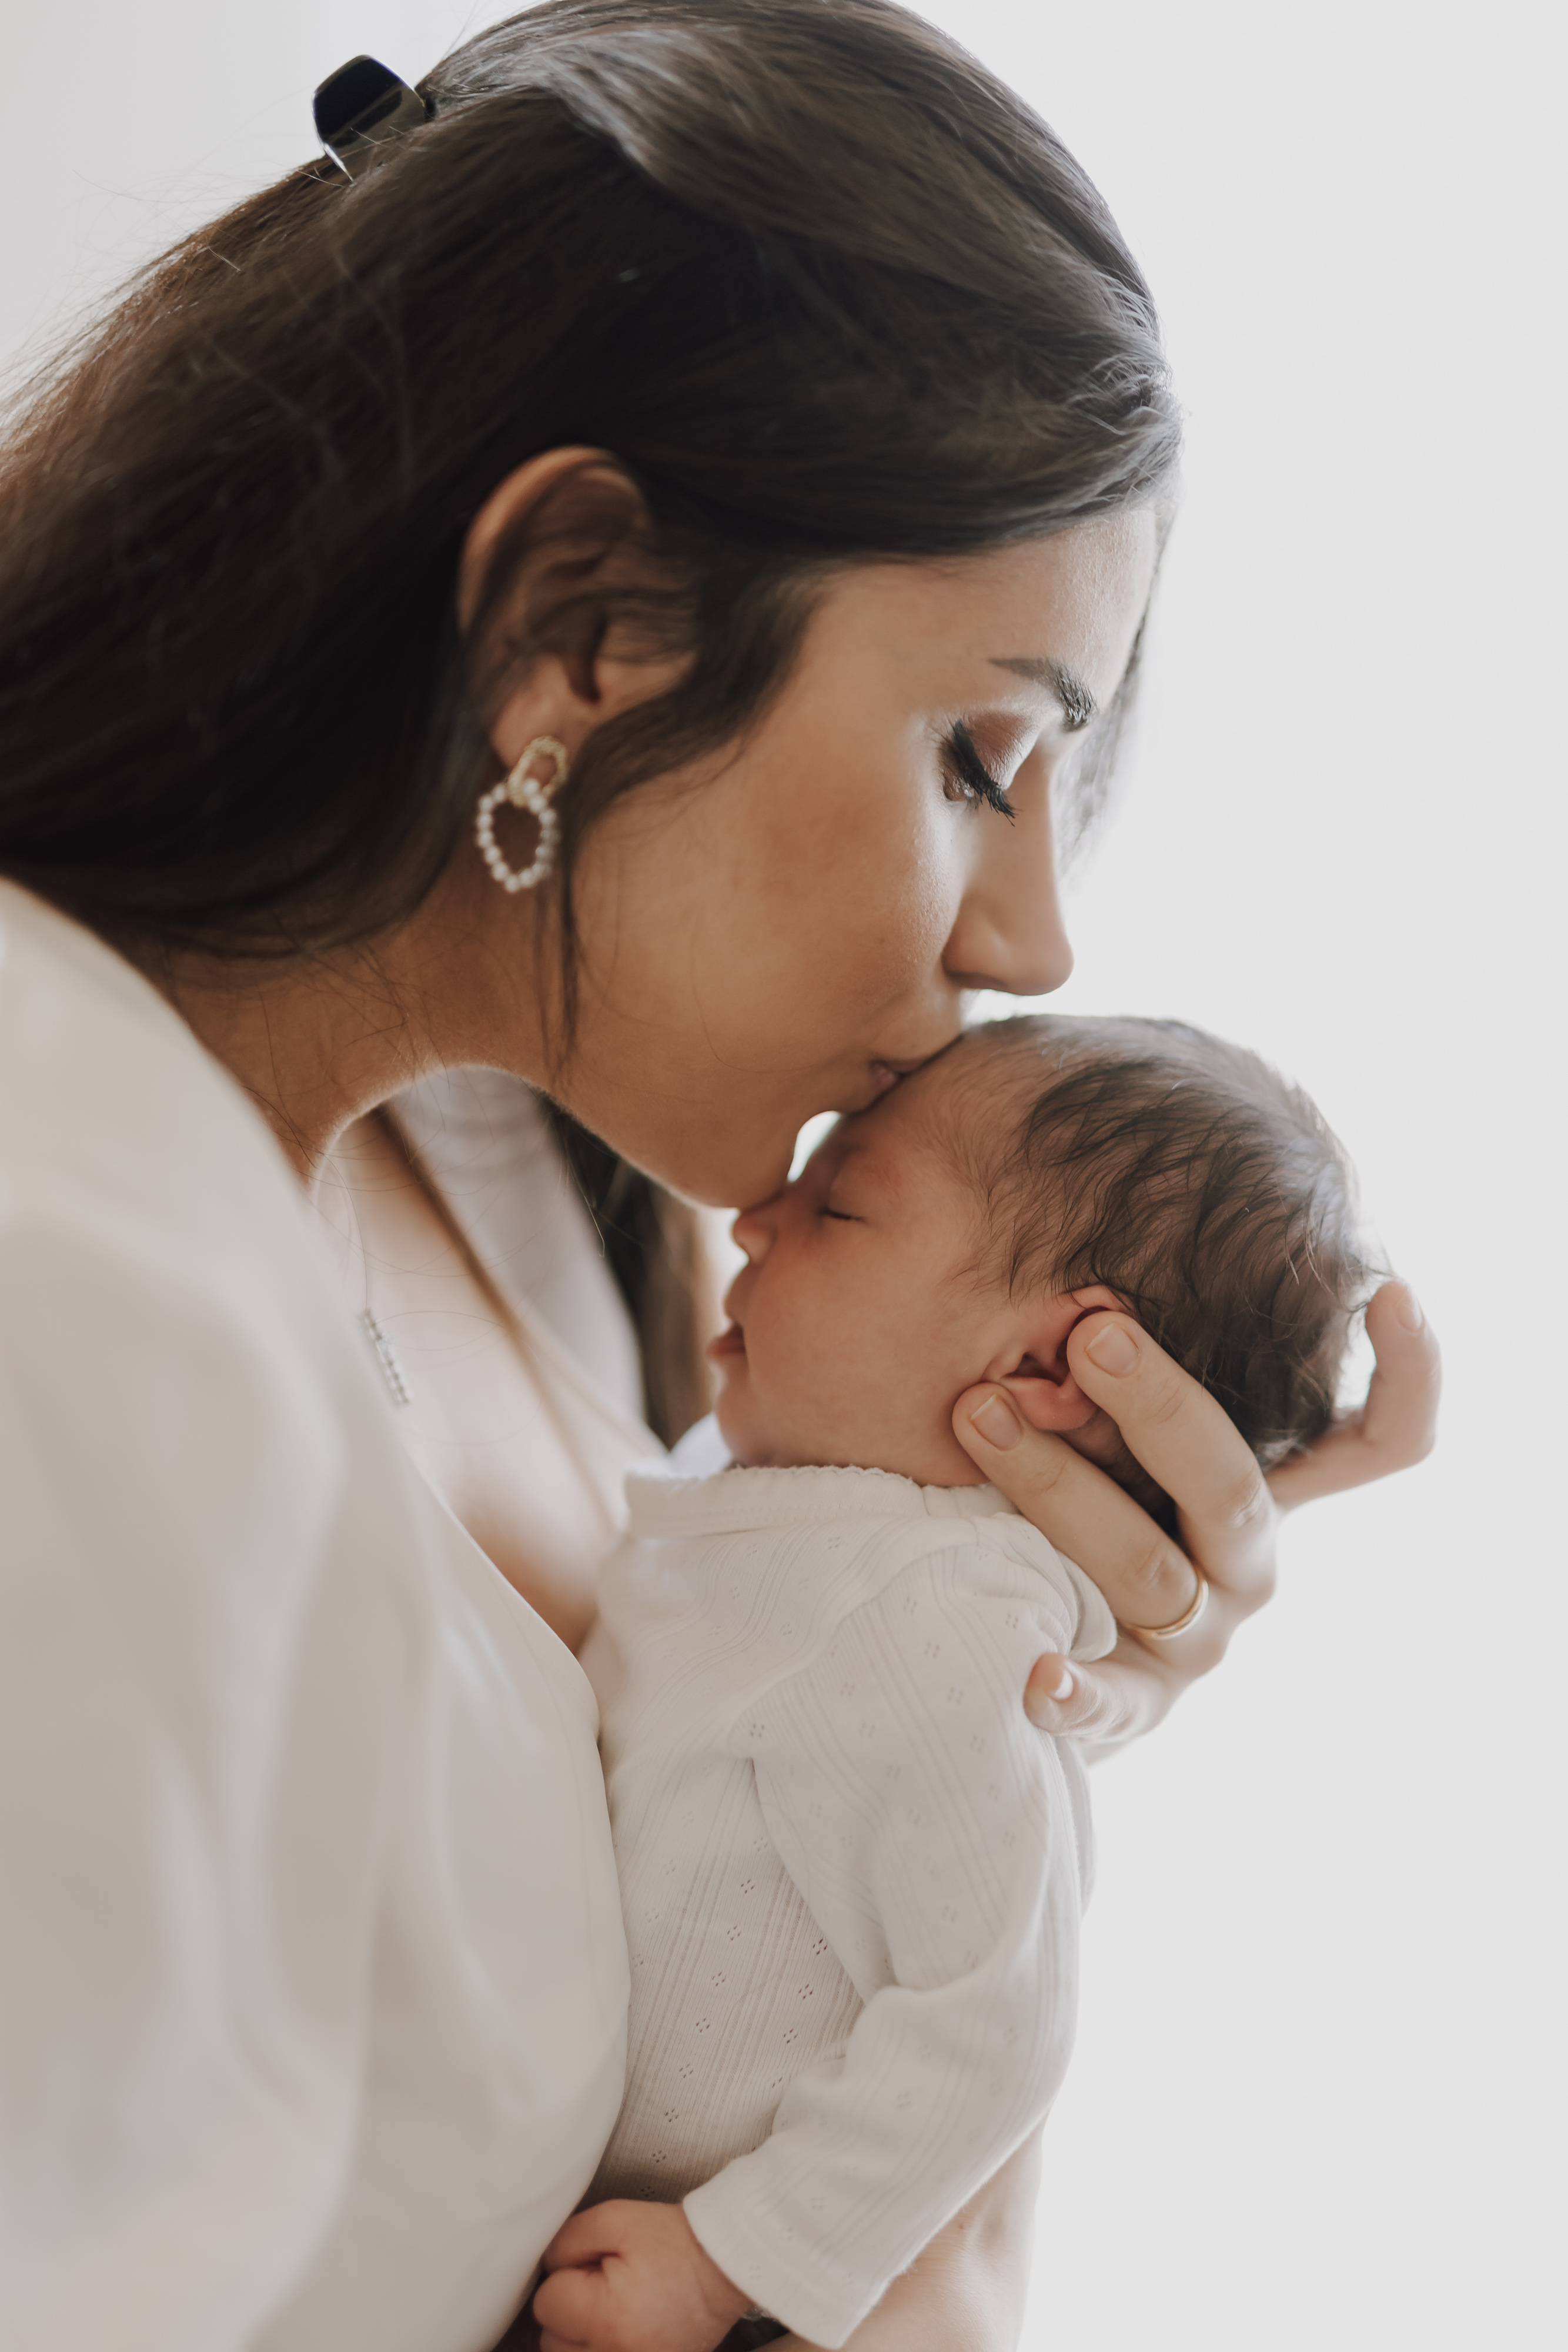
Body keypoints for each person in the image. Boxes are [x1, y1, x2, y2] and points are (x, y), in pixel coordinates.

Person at [0, 6, 1439, 2351]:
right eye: (983, 751)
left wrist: (1009, 1668)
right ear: (583, 620)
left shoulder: (583, 1199)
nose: (1035, 938)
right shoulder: (67, 1256)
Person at [539, 1013, 1376, 2352]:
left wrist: (726, 2261)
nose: (756, 1221)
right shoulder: (807, 1528)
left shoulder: (929, 1613)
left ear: (1046, 1371)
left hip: (726, 2283)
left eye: (842, 1204)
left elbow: (995, 2016)